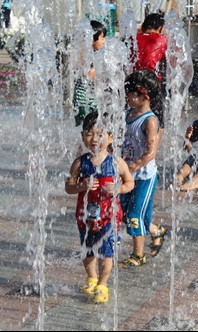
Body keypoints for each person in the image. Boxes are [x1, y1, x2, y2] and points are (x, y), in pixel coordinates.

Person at [64, 111, 135, 303]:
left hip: (109, 216)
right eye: (89, 133)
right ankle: (92, 276)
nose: (94, 139)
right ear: (82, 136)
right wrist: (81, 185)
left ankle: (103, 284)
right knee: (87, 251)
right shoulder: (80, 163)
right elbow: (68, 187)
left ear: (111, 137)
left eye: (101, 134)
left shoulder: (116, 162)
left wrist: (119, 188)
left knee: (106, 252)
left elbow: (130, 183)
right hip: (85, 215)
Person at [118, 69, 166, 268]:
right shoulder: (128, 113)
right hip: (128, 175)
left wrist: (132, 167)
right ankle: (156, 231)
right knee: (124, 212)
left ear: (143, 96)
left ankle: (138, 255)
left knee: (134, 215)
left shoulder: (150, 120)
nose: (126, 96)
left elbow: (150, 153)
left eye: (130, 94)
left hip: (144, 177)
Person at [131, 12, 167, 145]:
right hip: (151, 87)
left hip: (131, 86)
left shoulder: (133, 38)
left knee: (129, 117)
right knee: (159, 121)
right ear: (160, 28)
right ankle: (151, 153)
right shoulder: (162, 39)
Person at [73, 20, 106, 127]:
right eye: (102, 38)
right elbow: (87, 76)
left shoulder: (96, 54)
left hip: (93, 99)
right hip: (83, 100)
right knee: (85, 127)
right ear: (93, 38)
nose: (104, 41)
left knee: (94, 127)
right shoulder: (82, 53)